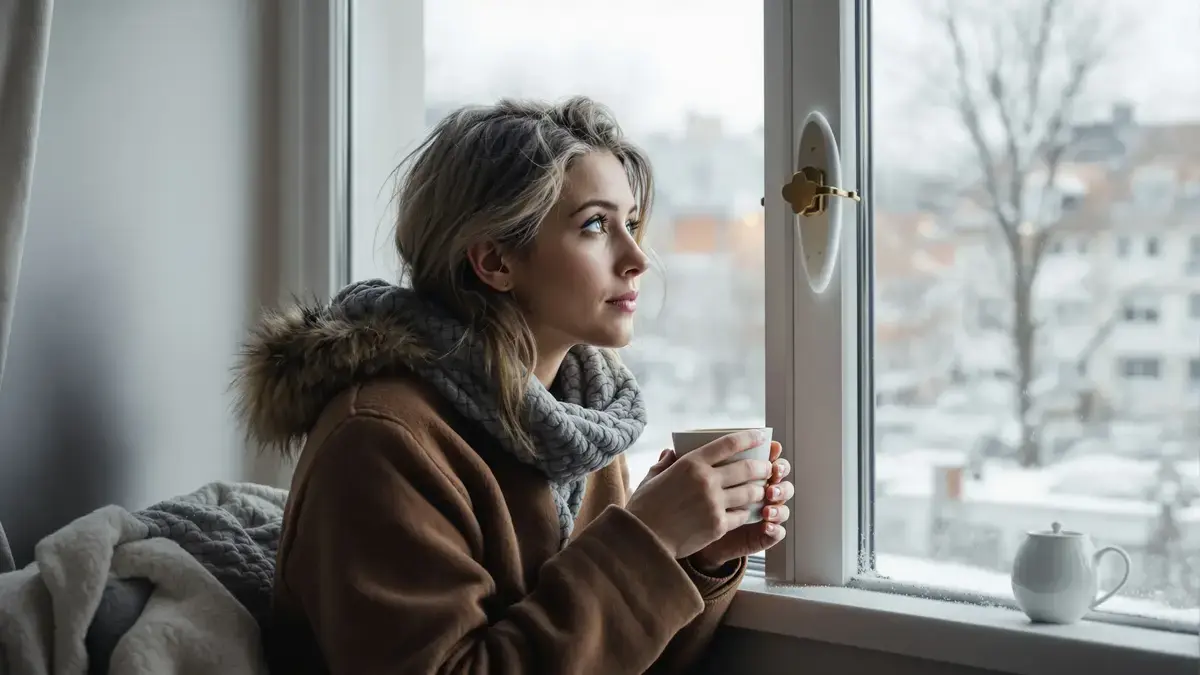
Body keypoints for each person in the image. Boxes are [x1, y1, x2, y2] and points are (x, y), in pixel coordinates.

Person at [234, 96, 794, 674]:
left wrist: (689, 555)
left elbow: (610, 661)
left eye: (631, 223)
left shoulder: (582, 427)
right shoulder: (380, 442)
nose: (635, 258)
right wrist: (645, 540)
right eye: (596, 225)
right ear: (495, 261)